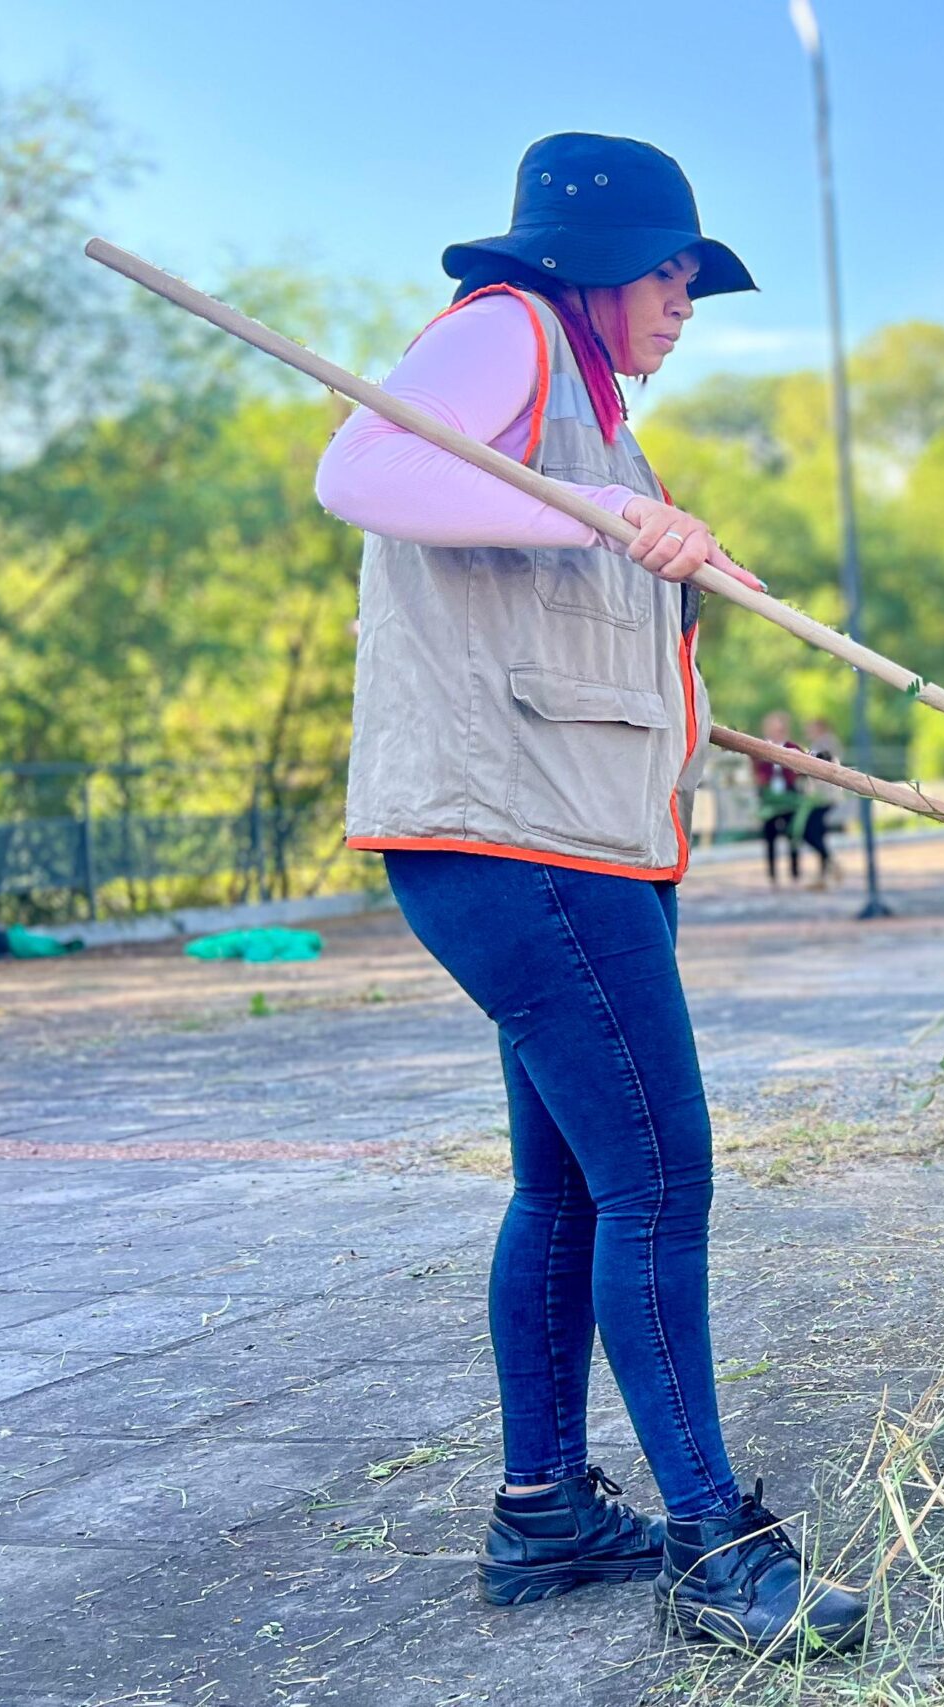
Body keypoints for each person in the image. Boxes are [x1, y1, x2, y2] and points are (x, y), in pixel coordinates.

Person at [312, 132, 865, 1656]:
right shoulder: (508, 328)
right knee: (660, 1173)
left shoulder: (598, 412)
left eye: (694, 279)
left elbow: (575, 596)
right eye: (673, 273)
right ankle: (713, 1538)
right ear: (595, 264)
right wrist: (596, 516)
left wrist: (685, 591)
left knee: (566, 1181)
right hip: (517, 840)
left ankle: (545, 1509)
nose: (687, 302)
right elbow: (355, 468)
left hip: (574, 831)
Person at [751, 709, 806, 887]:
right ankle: (773, 876)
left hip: (790, 797)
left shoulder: (793, 748)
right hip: (769, 798)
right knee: (770, 837)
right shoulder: (760, 748)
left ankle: (795, 873)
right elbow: (755, 771)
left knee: (793, 835)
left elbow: (802, 770)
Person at [799, 718, 842, 890]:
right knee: (818, 833)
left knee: (809, 832)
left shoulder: (827, 743)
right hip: (820, 796)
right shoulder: (820, 743)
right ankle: (823, 876)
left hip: (824, 797)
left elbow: (822, 763)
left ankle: (831, 863)